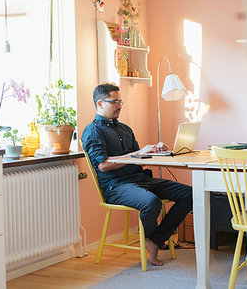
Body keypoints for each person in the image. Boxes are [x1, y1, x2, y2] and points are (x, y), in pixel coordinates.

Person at [81, 83, 192, 266]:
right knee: (151, 202)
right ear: (100, 104)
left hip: (140, 180)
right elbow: (103, 165)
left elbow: (137, 159)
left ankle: (155, 240)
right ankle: (153, 240)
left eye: (120, 101)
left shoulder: (125, 129)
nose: (119, 105)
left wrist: (156, 151)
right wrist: (137, 154)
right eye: (114, 101)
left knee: (190, 194)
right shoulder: (93, 131)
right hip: (115, 186)